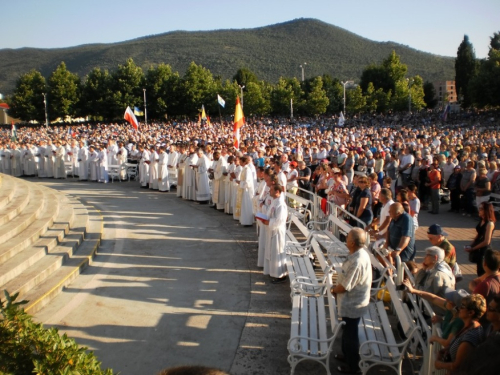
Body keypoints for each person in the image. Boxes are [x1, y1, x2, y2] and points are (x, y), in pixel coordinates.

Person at [330, 228, 372, 374]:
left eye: (347, 238)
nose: (345, 240)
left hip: (353, 305)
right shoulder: (356, 253)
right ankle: (346, 355)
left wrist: (333, 290)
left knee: (350, 336)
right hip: (349, 303)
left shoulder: (358, 260)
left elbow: (345, 286)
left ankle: (353, 367)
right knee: (347, 332)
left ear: (352, 242)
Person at [402, 282, 467, 348]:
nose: (446, 299)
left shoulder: (459, 322)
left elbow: (447, 343)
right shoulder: (451, 309)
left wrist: (435, 338)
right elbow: (434, 298)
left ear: (456, 307)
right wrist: (413, 291)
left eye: (449, 300)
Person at [434, 294, 486, 374]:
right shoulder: (468, 327)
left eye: (462, 306)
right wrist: (446, 350)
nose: (459, 309)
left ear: (471, 312)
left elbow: (457, 366)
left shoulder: (471, 336)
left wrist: (439, 364)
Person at [414, 246, 455, 314]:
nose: (424, 258)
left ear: (435, 258)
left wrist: (414, 288)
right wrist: (423, 270)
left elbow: (426, 293)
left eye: (427, 255)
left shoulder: (437, 274)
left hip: (436, 312)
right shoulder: (444, 267)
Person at [262, 184, 288, 283]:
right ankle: (273, 272)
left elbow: (280, 220)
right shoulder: (275, 202)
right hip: (272, 230)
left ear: (277, 192)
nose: (270, 191)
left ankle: (280, 274)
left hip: (277, 231)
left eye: (272, 190)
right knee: (272, 252)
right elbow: (270, 213)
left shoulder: (281, 204)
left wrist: (269, 222)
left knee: (277, 252)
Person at [465, 201, 496, 276]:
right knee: (479, 268)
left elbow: (487, 241)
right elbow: (479, 234)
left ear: (486, 210)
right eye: (479, 208)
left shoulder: (489, 224)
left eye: (481, 209)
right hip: (478, 247)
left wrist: (473, 248)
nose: (479, 210)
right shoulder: (482, 220)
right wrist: (471, 245)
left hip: (484, 250)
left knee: (482, 270)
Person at [235, 155, 255, 226]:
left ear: (244, 162)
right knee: (243, 206)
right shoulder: (244, 169)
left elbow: (248, 182)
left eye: (240, 162)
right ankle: (244, 220)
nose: (239, 163)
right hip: (243, 189)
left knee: (246, 205)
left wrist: (240, 182)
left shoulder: (248, 170)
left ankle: (247, 222)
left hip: (247, 191)